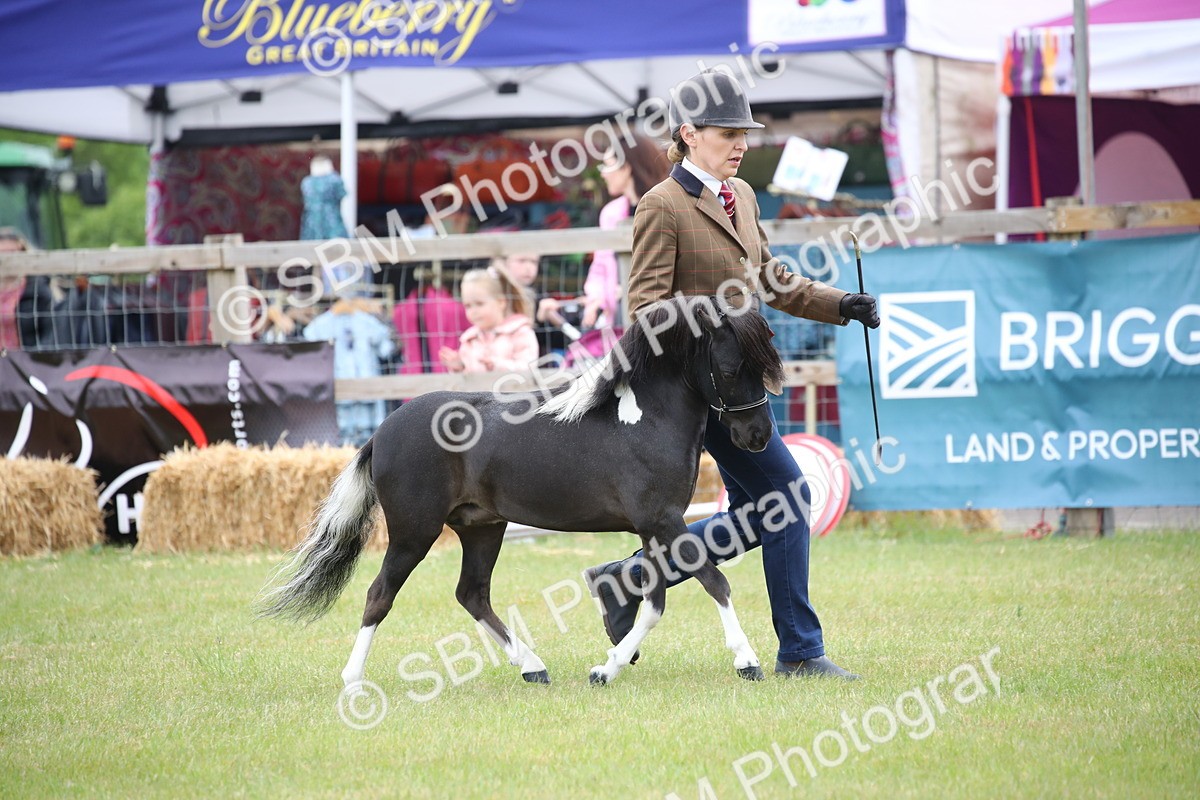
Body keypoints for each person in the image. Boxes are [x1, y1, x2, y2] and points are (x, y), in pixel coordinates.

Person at [583, 70, 880, 680]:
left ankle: (628, 578)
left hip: (743, 383)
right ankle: (800, 651)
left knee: (757, 513)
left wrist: (838, 304)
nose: (740, 143)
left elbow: (771, 279)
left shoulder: (740, 195)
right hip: (698, 390)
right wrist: (711, 326)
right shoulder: (661, 205)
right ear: (690, 134)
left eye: (744, 132)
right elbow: (643, 310)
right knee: (790, 500)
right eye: (727, 133)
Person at [539, 135, 669, 331]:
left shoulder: (667, 206)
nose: (603, 174)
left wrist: (629, 290)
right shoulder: (611, 213)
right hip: (618, 320)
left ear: (626, 168)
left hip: (664, 314)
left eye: (607, 165)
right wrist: (597, 298)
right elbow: (600, 266)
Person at [439, 265, 538, 374]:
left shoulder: (520, 332)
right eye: (468, 306)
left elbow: (529, 368)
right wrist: (460, 367)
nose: (473, 311)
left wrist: (496, 366)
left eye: (479, 304)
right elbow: (465, 383)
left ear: (501, 302)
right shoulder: (469, 340)